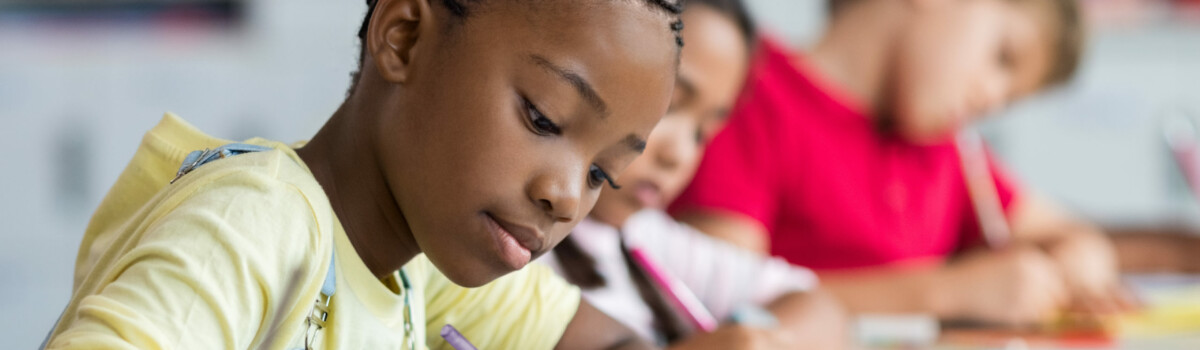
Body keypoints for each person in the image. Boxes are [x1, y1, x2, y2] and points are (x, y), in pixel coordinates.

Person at [44, 0, 686, 348]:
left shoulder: (418, 265)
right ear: (404, 38)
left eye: (603, 171)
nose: (568, 197)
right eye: (543, 118)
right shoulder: (258, 226)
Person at [669, 0, 1145, 326]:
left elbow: (1072, 234)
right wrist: (948, 293)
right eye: (1002, 57)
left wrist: (1078, 260)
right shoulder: (749, 94)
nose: (991, 98)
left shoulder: (943, 150)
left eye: (1009, 99)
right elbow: (721, 301)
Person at [542, 1, 847, 348]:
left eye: (701, 132)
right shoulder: (521, 250)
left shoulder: (644, 239)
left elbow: (818, 306)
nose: (679, 155)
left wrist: (750, 336)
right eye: (668, 106)